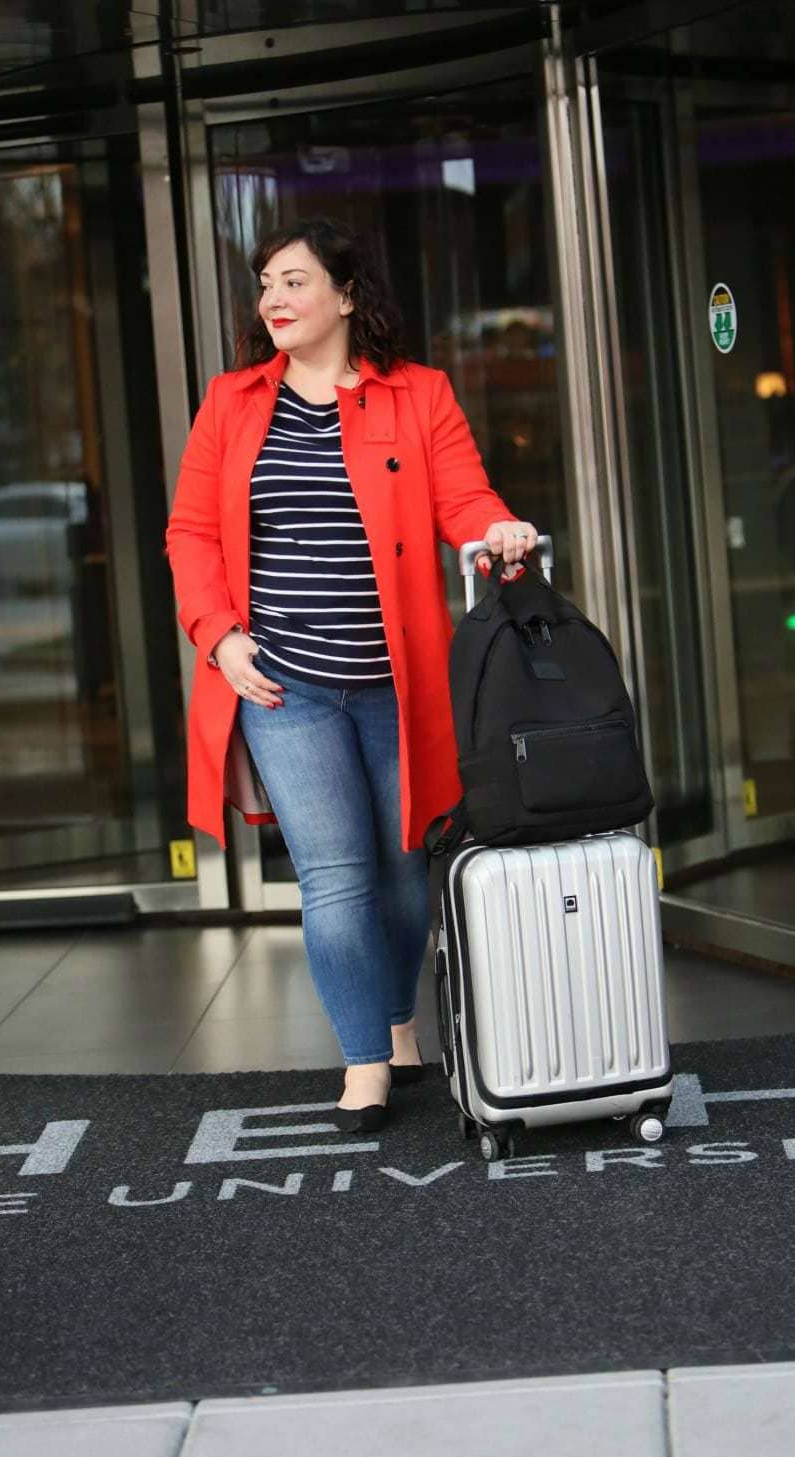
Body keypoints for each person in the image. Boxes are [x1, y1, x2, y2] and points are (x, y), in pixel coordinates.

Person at [164, 216, 537, 1134]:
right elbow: (191, 534)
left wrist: (496, 531)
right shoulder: (232, 402)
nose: (274, 300)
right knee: (334, 878)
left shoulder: (419, 396)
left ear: (345, 295)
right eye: (266, 286)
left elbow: (463, 495)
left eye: (294, 281)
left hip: (395, 686)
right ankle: (365, 1061)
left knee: (407, 875)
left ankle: (400, 1020)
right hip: (281, 685)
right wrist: (220, 637)